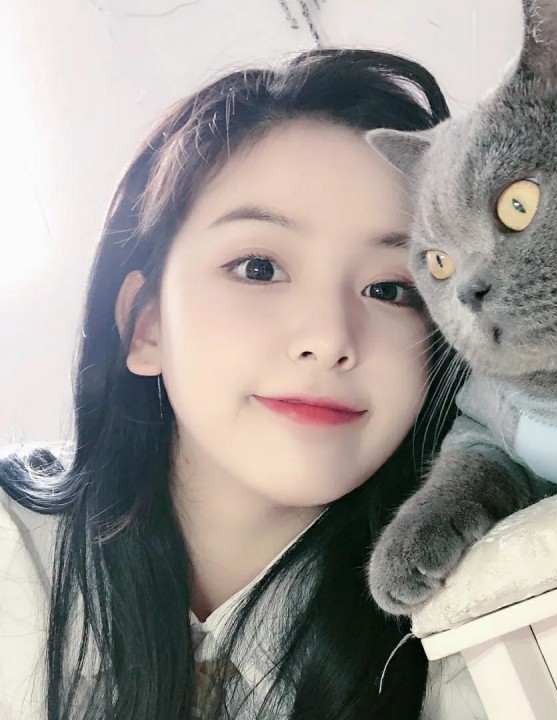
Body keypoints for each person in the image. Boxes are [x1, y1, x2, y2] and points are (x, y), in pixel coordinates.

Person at [0, 49, 486, 720]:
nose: (330, 338)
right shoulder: (15, 556)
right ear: (146, 325)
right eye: (259, 267)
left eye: (390, 289)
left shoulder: (489, 618)